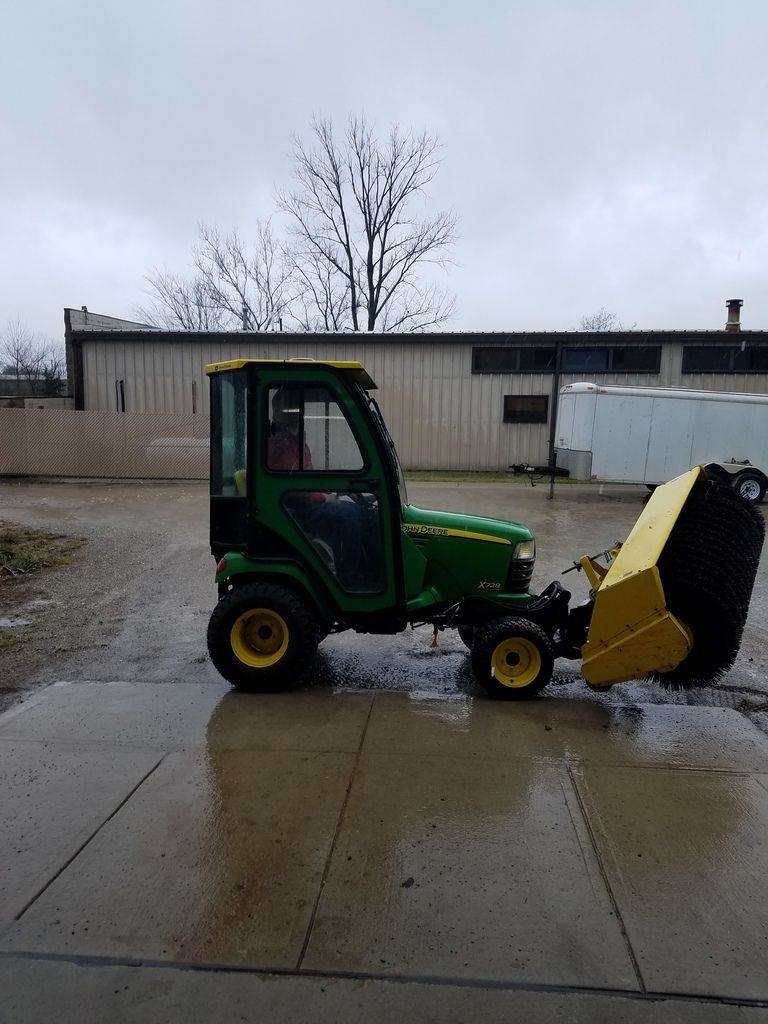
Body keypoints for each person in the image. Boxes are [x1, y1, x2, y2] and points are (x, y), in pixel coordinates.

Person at [268, 387, 375, 589]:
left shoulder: (295, 441)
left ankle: (339, 566)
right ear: (284, 412)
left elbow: (306, 477)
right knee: (350, 514)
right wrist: (323, 498)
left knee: (350, 509)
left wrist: (327, 493)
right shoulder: (282, 444)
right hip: (295, 510)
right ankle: (350, 576)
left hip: (302, 504)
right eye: (294, 410)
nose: (298, 416)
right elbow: (294, 487)